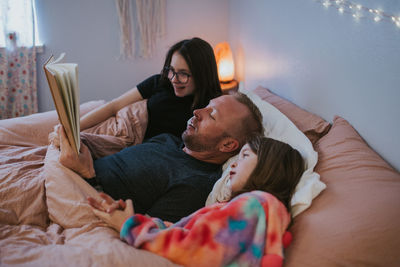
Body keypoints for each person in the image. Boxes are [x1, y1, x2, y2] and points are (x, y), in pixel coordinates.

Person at [88, 135, 305, 267]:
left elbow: (193, 250)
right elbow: (192, 236)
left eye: (245, 156)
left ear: (269, 167)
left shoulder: (256, 203)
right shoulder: (249, 209)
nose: (233, 165)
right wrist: (138, 219)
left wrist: (130, 226)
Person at [57, 93, 264, 222]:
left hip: (79, 193)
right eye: (206, 106)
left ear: (227, 145)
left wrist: (86, 173)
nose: (197, 111)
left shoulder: (194, 184)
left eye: (212, 115)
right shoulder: (169, 140)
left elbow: (139, 231)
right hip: (70, 167)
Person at [80, 37, 222, 140]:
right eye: (171, 70)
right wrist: (75, 127)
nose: (174, 79)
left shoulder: (211, 108)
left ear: (202, 75)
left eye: (183, 74)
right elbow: (114, 106)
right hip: (119, 126)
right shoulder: (160, 82)